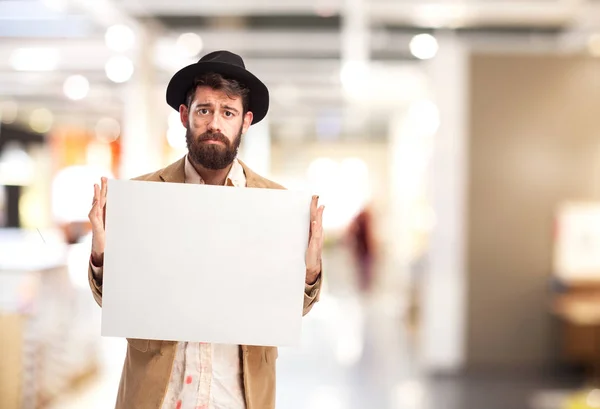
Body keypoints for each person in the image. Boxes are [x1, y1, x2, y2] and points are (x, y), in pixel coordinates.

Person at [86, 50, 324, 409]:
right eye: (204, 110)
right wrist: (104, 257)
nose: (215, 123)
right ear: (185, 116)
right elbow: (115, 303)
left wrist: (308, 272)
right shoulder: (142, 197)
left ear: (245, 121)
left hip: (236, 397)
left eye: (227, 112)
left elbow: (288, 311)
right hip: (160, 396)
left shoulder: (277, 204)